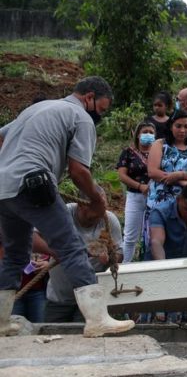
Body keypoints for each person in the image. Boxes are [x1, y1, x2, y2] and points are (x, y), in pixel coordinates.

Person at [0, 76, 134, 337]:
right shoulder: (81, 117)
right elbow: (78, 171)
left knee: (15, 255)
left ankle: (1, 322)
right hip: (33, 184)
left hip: (4, 189)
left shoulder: (37, 108)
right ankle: (97, 319)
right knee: (72, 247)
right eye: (101, 110)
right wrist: (96, 197)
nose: (100, 117)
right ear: (89, 98)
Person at [45, 187, 123, 323]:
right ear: (81, 205)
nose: (100, 215)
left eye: (103, 209)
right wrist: (61, 253)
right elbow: (35, 239)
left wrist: (110, 258)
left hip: (91, 297)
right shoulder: (64, 214)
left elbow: (119, 254)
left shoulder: (109, 220)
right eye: (95, 213)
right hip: (59, 296)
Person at [143, 109, 187, 259]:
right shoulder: (160, 144)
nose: (182, 130)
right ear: (171, 126)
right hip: (159, 200)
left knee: (182, 242)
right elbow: (152, 171)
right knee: (156, 242)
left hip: (185, 204)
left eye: (186, 126)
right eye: (178, 126)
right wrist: (179, 180)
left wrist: (180, 174)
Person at [116, 122, 156, 263]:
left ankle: (151, 265)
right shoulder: (128, 152)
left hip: (155, 198)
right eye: (145, 132)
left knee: (153, 235)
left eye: (151, 132)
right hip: (135, 197)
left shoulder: (159, 152)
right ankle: (124, 267)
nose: (148, 135)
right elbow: (122, 175)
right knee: (130, 237)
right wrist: (140, 186)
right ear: (138, 135)